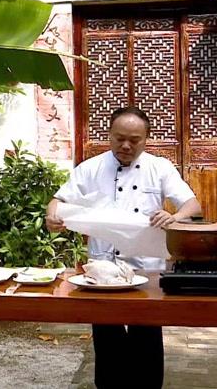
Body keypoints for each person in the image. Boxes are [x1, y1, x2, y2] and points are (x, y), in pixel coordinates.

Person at [46, 106, 201, 389]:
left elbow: (192, 205)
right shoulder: (90, 167)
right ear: (109, 135)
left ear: (146, 139)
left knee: (147, 339)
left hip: (148, 269)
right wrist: (52, 215)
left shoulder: (160, 167)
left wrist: (175, 216)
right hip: (102, 270)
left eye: (134, 139)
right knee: (107, 342)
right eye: (119, 138)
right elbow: (58, 200)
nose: (126, 145)